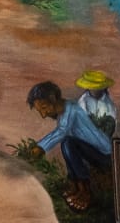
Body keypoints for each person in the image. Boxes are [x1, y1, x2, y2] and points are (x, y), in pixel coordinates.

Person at [27, 80, 112, 212]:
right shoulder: (64, 112)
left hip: (104, 155)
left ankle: (85, 191)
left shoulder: (71, 109)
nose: (43, 115)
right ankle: (76, 186)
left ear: (52, 98)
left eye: (44, 108)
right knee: (68, 144)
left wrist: (41, 147)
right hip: (91, 150)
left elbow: (61, 131)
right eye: (40, 111)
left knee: (67, 143)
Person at [75, 68, 118, 139]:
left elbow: (111, 123)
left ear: (103, 87)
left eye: (97, 88)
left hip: (104, 138)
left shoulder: (109, 103)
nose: (95, 90)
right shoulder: (83, 101)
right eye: (93, 87)